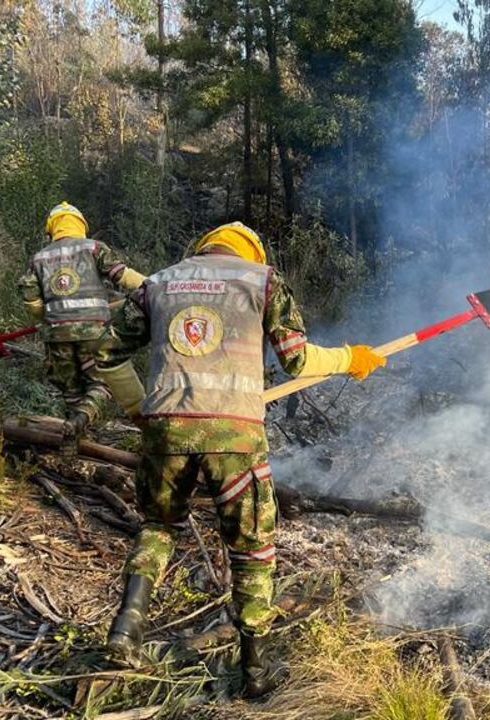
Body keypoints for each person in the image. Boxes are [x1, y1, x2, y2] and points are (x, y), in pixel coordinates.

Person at [104, 221, 385, 697]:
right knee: (252, 551)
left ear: (202, 251)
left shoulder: (156, 284)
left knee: (157, 527)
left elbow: (104, 353)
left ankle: (127, 626)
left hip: (166, 432)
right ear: (251, 254)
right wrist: (350, 357)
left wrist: (138, 410)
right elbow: (296, 359)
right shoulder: (263, 281)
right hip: (236, 439)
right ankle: (254, 675)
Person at [17, 202, 148, 445]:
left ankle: (73, 442)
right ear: (81, 226)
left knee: (71, 391)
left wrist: (48, 320)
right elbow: (123, 276)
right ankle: (82, 421)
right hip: (94, 333)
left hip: (56, 335)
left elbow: (32, 303)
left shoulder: (38, 258)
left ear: (52, 229)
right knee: (103, 385)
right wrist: (155, 286)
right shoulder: (95, 248)